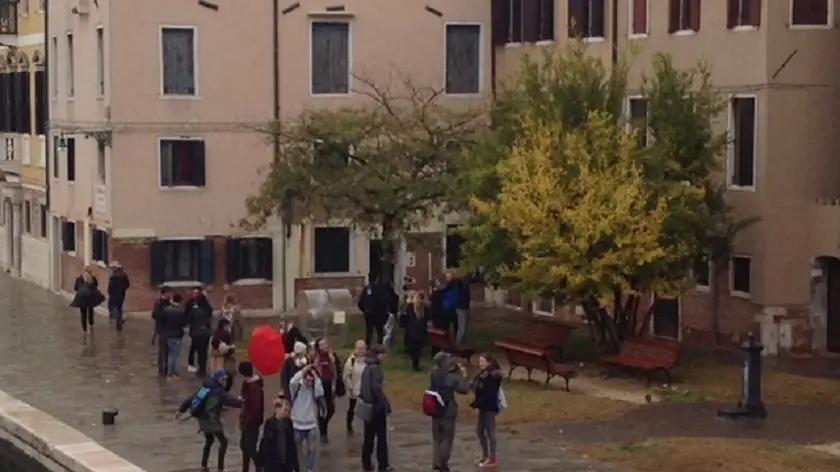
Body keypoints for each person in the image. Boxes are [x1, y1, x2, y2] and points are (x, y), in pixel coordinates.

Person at [176, 369, 243, 472]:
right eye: (222, 379)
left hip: (202, 420)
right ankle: (220, 468)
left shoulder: (205, 387)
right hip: (211, 421)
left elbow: (191, 399)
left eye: (225, 379)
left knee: (209, 440)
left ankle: (204, 465)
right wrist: (242, 403)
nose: (223, 381)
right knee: (223, 442)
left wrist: (181, 410)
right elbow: (230, 400)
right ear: (217, 378)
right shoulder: (218, 391)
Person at [429, 352, 471, 472]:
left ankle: (436, 464)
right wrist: (464, 375)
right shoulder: (451, 377)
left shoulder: (434, 373)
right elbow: (464, 389)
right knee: (447, 439)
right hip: (448, 410)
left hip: (435, 408)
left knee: (437, 438)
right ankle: (442, 465)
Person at [360, 344, 392, 472]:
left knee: (368, 437)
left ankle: (366, 463)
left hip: (368, 406)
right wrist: (384, 403)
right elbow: (377, 388)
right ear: (379, 355)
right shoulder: (376, 369)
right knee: (381, 438)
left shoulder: (367, 367)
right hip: (376, 408)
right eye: (384, 354)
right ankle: (383, 464)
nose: (385, 357)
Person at [289, 363, 324, 472]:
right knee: (295, 450)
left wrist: (316, 376)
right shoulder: (296, 387)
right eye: (307, 380)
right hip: (297, 424)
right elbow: (292, 381)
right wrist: (304, 369)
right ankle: (294, 468)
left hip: (311, 424)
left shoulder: (314, 388)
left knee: (312, 450)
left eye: (311, 381)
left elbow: (320, 392)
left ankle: (310, 469)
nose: (309, 383)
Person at [470, 354, 502, 468]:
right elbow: (475, 386)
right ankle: (485, 455)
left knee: (490, 431)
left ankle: (492, 458)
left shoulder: (493, 376)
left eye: (483, 361)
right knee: (479, 431)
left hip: (489, 406)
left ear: (489, 362)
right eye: (480, 361)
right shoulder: (482, 374)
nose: (480, 364)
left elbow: (490, 393)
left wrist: (476, 403)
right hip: (482, 406)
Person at [258, 394, 298, 472]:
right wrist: (262, 464)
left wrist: (295, 465)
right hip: (273, 464)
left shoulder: (288, 423)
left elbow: (292, 444)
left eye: (288, 411)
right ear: (278, 409)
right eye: (285, 410)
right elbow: (265, 445)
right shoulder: (269, 424)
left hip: (286, 463)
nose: (287, 413)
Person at [313, 337, 342, 443]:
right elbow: (311, 369)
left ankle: (324, 424)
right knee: (321, 410)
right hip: (319, 384)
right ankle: (323, 432)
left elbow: (338, 369)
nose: (324, 346)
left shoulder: (332, 355)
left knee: (331, 409)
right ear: (318, 347)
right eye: (321, 345)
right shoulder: (315, 357)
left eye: (325, 344)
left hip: (331, 384)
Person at [238, 361, 265, 472]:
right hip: (246, 421)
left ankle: (260, 468)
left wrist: (247, 420)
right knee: (244, 446)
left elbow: (255, 408)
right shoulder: (247, 384)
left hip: (251, 422)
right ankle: (245, 468)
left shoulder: (254, 388)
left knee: (250, 448)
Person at [358, 276, 398, 347]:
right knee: (379, 331)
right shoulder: (381, 289)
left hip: (368, 314)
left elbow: (360, 302)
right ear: (377, 279)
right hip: (378, 314)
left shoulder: (367, 288)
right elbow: (383, 301)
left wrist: (365, 310)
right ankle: (379, 347)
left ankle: (367, 347)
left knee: (369, 332)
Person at [187, 287, 215, 373]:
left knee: (203, 350)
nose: (194, 295)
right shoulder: (190, 303)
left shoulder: (204, 304)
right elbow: (187, 317)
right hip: (196, 330)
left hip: (203, 331)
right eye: (193, 293)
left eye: (196, 293)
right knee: (194, 347)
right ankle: (193, 364)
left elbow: (209, 313)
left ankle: (202, 367)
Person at [401, 291, 431, 371]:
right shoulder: (410, 307)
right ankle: (415, 364)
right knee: (415, 349)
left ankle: (415, 363)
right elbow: (404, 319)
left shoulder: (424, 308)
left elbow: (428, 317)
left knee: (417, 348)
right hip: (413, 331)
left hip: (419, 331)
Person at [71, 266, 104, 336]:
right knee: (91, 309)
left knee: (83, 313)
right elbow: (96, 286)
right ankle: (91, 323)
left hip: (82, 298)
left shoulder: (79, 279)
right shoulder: (93, 278)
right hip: (90, 297)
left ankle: (84, 328)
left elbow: (75, 287)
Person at [343, 340, 367, 434]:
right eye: (359, 348)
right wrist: (350, 387)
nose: (361, 350)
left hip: (365, 389)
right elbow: (346, 376)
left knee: (366, 408)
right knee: (352, 408)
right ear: (355, 349)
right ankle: (349, 425)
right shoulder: (351, 361)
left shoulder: (368, 360)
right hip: (353, 389)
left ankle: (367, 426)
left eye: (363, 348)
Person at [161, 293, 188, 379]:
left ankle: (169, 372)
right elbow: (184, 323)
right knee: (175, 355)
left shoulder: (166, 310)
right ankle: (174, 373)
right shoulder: (180, 312)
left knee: (170, 354)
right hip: (177, 335)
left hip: (168, 335)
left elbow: (162, 322)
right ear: (180, 301)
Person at [151, 286, 173, 377]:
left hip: (169, 328)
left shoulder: (169, 303)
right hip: (162, 329)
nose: (171, 294)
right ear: (165, 293)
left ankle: (166, 366)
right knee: (162, 349)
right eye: (169, 293)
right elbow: (155, 315)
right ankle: (161, 368)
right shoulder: (159, 303)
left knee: (168, 349)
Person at [210, 318, 237, 392]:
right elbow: (229, 345)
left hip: (215, 354)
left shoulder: (216, 332)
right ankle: (220, 388)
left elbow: (213, 343)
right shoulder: (226, 334)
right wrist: (231, 349)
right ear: (224, 325)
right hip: (222, 356)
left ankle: (213, 384)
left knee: (214, 370)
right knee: (222, 371)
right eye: (228, 325)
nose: (228, 327)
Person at [106, 261, 130, 331]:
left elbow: (110, 287)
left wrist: (110, 292)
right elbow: (127, 284)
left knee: (113, 307)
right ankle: (119, 322)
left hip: (114, 294)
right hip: (121, 294)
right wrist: (123, 289)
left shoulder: (112, 277)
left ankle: (118, 320)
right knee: (119, 307)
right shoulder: (124, 275)